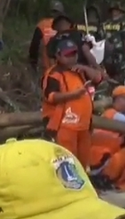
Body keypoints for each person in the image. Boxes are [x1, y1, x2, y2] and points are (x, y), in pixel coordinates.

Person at [41, 38, 103, 172]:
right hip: (64, 126)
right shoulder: (54, 74)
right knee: (66, 163)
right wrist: (74, 95)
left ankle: (83, 189)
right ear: (58, 56)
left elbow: (99, 78)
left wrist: (84, 67)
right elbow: (51, 97)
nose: (72, 58)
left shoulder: (78, 71)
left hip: (84, 126)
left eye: (74, 54)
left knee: (82, 163)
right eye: (67, 55)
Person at [101, 2, 125, 81]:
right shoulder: (123, 25)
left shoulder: (103, 25)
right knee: (122, 83)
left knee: (109, 82)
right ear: (119, 12)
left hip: (105, 60)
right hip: (119, 60)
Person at [29, 0, 64, 70]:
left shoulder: (42, 24)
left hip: (47, 68)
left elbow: (34, 45)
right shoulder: (66, 25)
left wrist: (33, 61)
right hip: (64, 67)